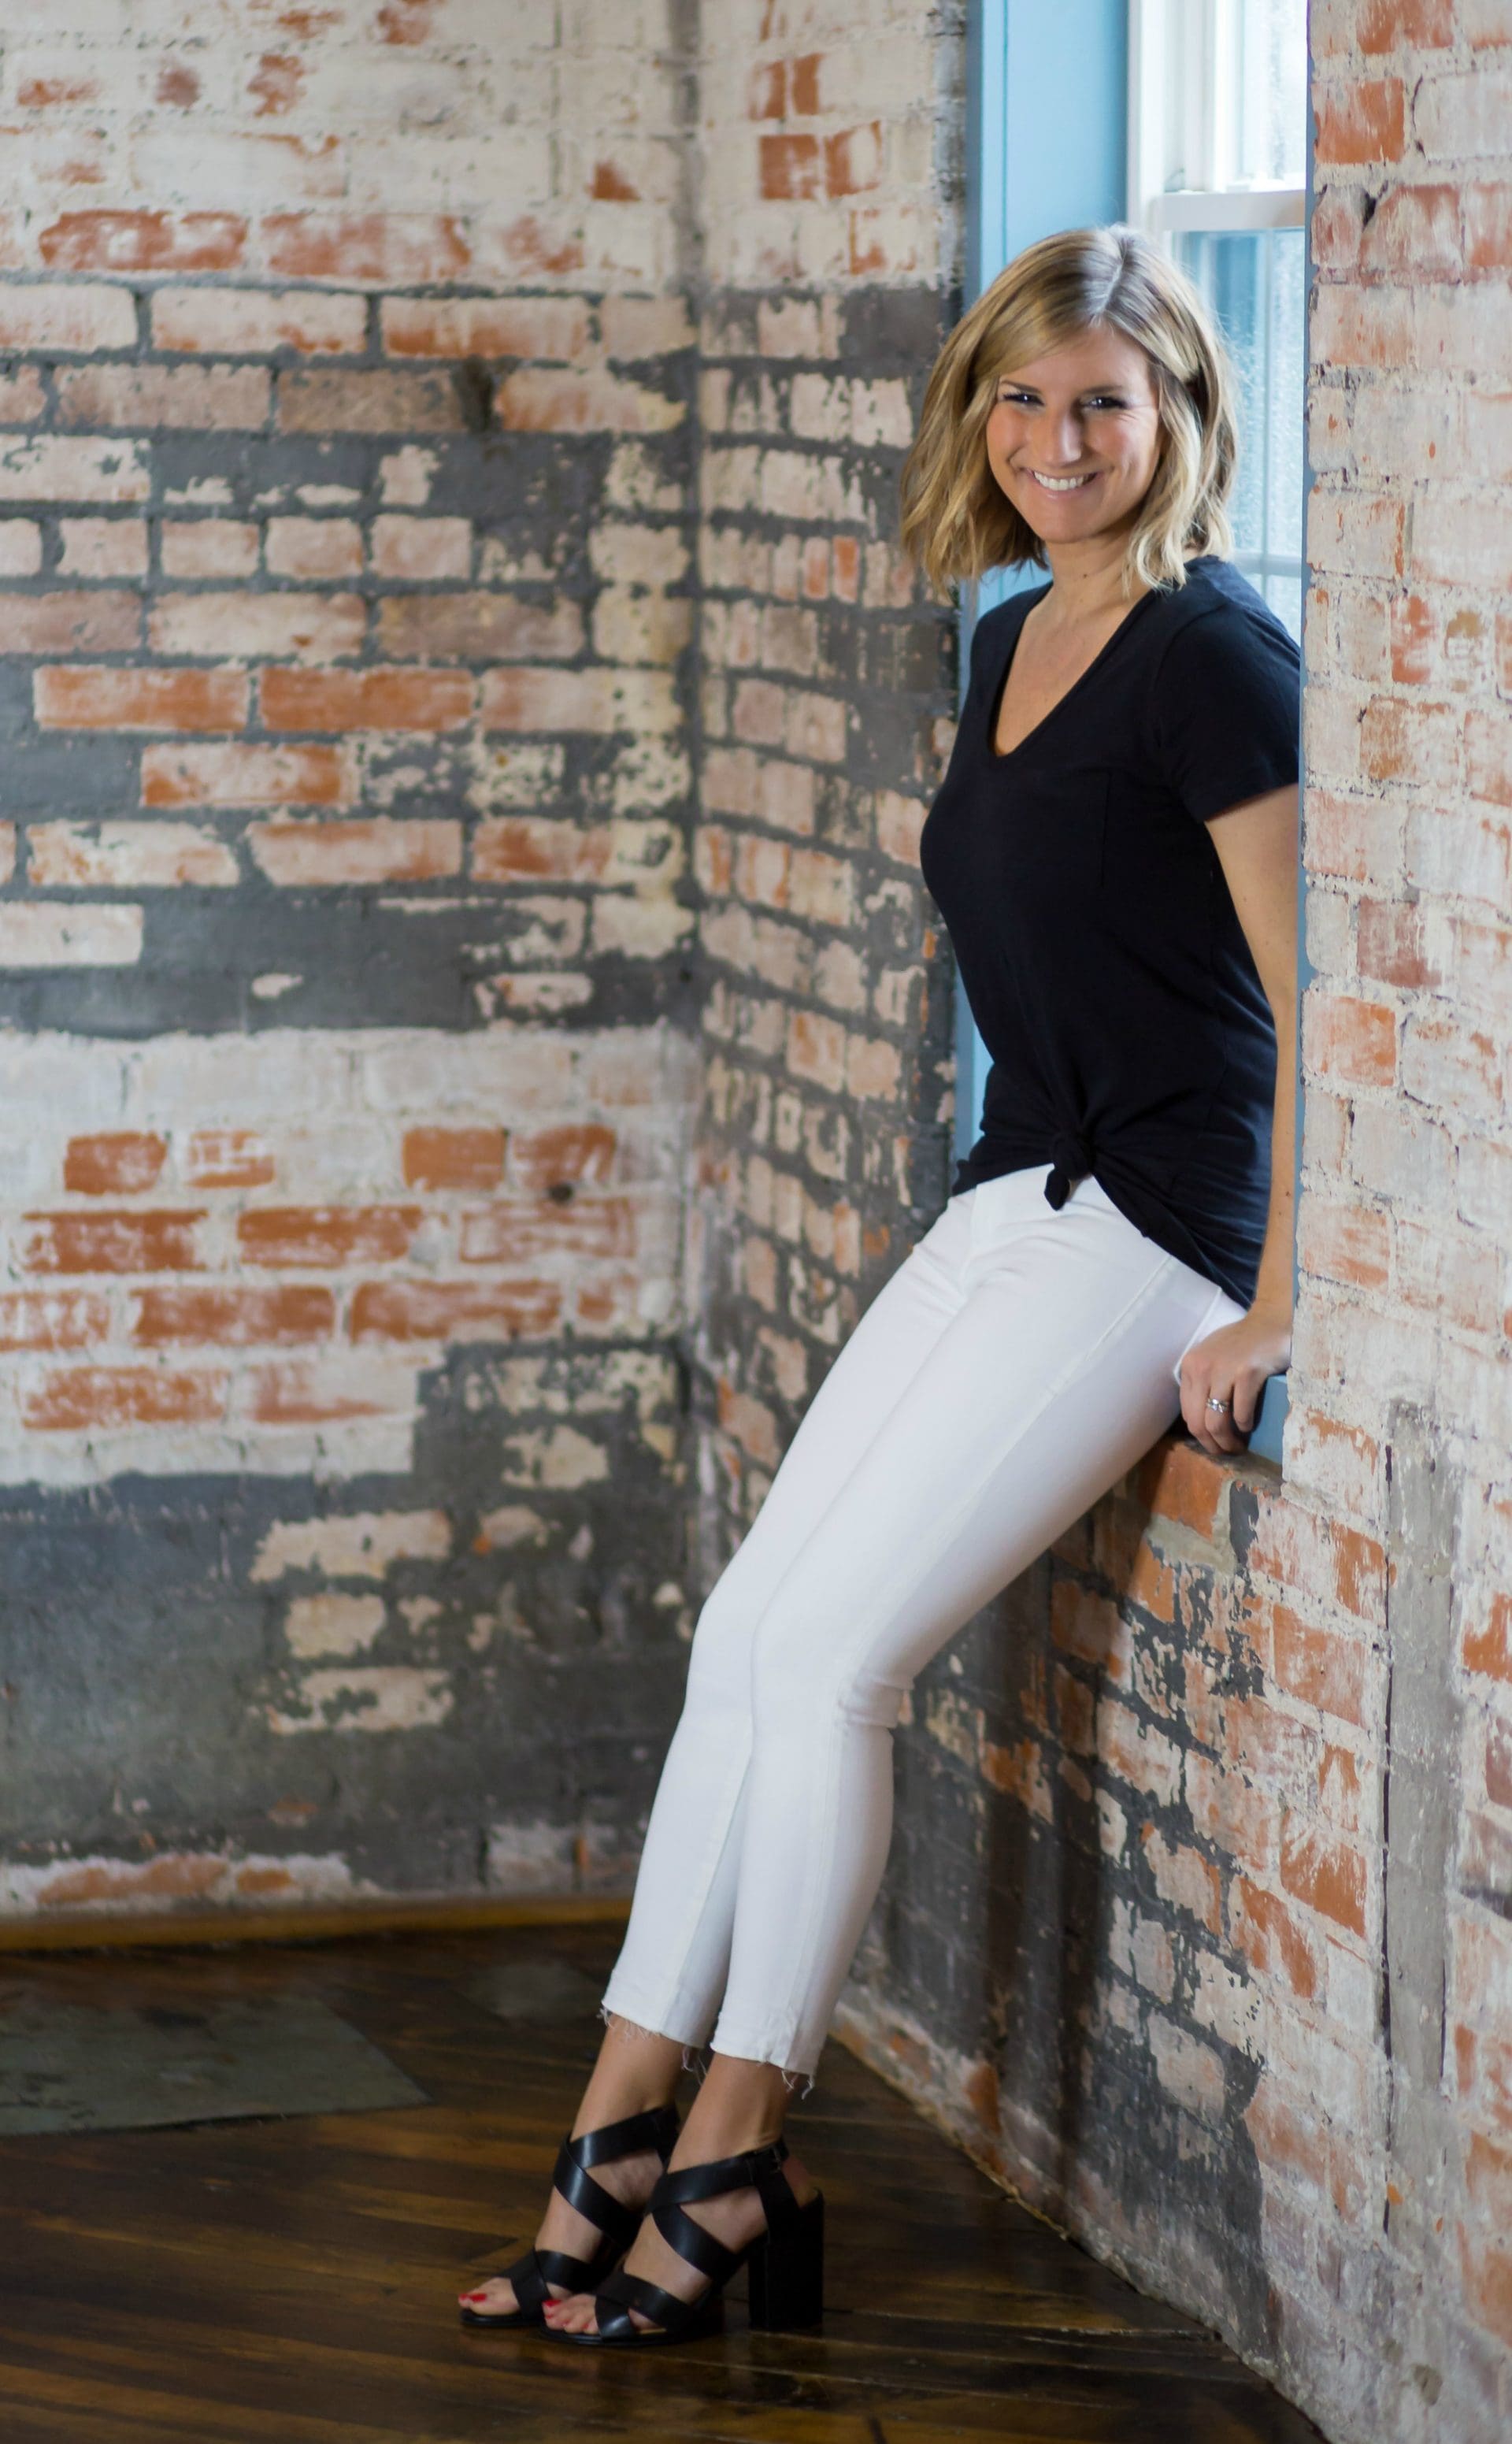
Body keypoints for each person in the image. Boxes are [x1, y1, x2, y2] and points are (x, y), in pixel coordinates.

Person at [457, 221, 1300, 2349]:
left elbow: (1327, 1010)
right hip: (1017, 1190)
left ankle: (740, 2147)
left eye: (1102, 403)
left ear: (1182, 414)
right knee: (746, 1636)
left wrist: (1277, 1305)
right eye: (1020, 401)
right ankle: (618, 2120)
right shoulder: (1008, 634)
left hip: (1154, 1223)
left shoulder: (1218, 657)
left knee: (836, 1663)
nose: (1056, 441)